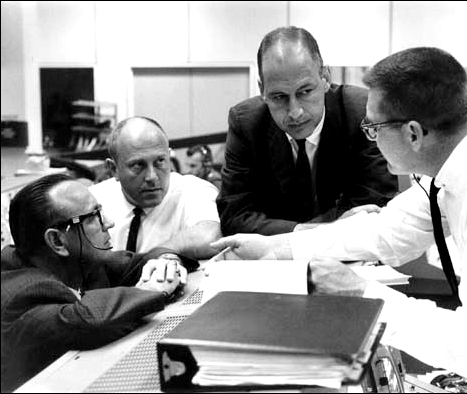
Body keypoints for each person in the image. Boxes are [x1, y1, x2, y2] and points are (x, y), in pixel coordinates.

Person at [210, 47, 467, 383]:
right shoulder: (460, 165)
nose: (369, 133)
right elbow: (388, 231)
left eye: (373, 126)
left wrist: (362, 294)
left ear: (413, 134)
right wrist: (277, 248)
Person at [1, 174, 194, 392]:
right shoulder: (18, 292)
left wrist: (166, 262)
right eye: (94, 216)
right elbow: (87, 319)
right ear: (57, 241)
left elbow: (136, 261)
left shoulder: (80, 260)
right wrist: (150, 290)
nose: (110, 223)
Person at [216, 26, 398, 236]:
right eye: (279, 97)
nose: (295, 112)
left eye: (305, 91)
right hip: (273, 259)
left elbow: (374, 208)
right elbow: (234, 216)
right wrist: (312, 231)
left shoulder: (362, 114)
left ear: (325, 77)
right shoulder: (246, 123)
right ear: (262, 90)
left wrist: (305, 233)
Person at [89, 117, 221, 259]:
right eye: (138, 165)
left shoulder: (194, 191)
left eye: (160, 161)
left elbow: (211, 237)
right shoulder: (93, 201)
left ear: (169, 157)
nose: (152, 177)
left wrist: (154, 256)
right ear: (114, 169)